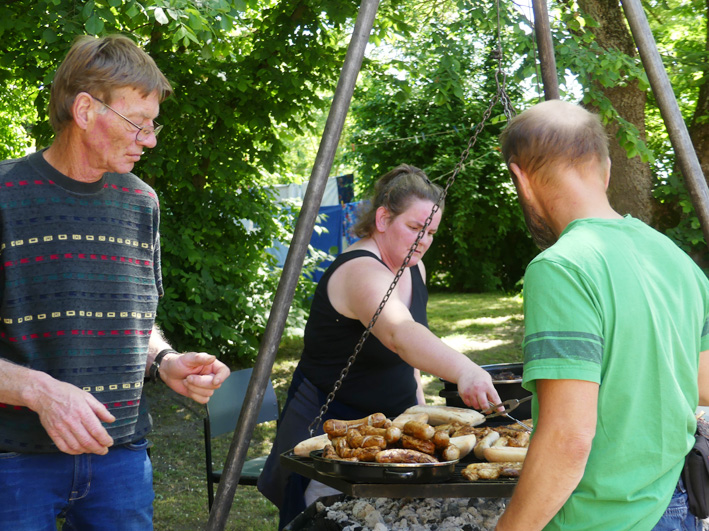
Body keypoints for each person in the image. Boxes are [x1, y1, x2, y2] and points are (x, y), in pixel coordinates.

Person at [0, 35, 230, 530]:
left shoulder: (141, 202)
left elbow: (135, 322)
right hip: (12, 463)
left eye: (153, 125)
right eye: (137, 124)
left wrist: (164, 361)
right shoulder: (4, 195)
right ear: (84, 110)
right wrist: (39, 391)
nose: (149, 140)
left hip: (121, 458)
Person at [495, 99, 709, 530]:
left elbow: (567, 438)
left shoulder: (561, 267)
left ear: (521, 179)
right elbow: (703, 384)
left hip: (599, 521)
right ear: (606, 169)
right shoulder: (674, 258)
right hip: (675, 507)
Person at [258, 163, 502, 528]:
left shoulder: (413, 267)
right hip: (332, 435)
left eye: (431, 232)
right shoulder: (360, 272)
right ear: (383, 218)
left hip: (391, 433)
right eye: (415, 227)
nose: (424, 240)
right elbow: (400, 336)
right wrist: (466, 370)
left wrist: (419, 411)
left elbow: (411, 357)